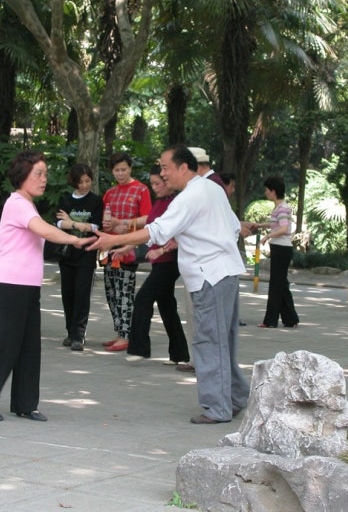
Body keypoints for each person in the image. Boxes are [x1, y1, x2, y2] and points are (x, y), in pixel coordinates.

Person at [88, 145, 249, 425]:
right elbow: (234, 227)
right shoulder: (213, 190)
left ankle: (217, 408)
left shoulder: (191, 196)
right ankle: (234, 398)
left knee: (209, 341)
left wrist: (111, 240)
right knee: (223, 340)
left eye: (165, 167)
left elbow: (158, 231)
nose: (162, 174)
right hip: (226, 272)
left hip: (209, 275)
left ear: (183, 168)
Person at [0, 150, 91, 422]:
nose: (44, 179)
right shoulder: (17, 203)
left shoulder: (28, 204)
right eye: (39, 174)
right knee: (7, 345)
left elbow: (42, 230)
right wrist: (74, 239)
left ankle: (25, 404)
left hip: (27, 287)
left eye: (45, 174)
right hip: (10, 286)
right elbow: (45, 230)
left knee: (29, 347)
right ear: (22, 175)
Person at [124, 165, 190, 366]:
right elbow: (151, 231)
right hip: (159, 261)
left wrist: (162, 250)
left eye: (158, 183)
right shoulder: (159, 202)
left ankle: (139, 349)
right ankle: (180, 355)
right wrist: (125, 246)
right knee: (167, 306)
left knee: (143, 298)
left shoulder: (177, 203)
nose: (155, 187)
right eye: (152, 184)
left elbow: (180, 233)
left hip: (170, 261)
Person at [100, 152, 152, 352]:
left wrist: (123, 225)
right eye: (116, 170)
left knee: (124, 292)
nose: (120, 173)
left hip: (129, 248)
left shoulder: (141, 190)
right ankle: (119, 331)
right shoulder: (110, 193)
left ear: (130, 168)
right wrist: (110, 227)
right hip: (109, 247)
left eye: (123, 169)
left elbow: (148, 218)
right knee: (111, 292)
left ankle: (126, 334)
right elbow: (105, 221)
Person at [54, 163, 102, 352]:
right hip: (67, 252)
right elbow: (58, 223)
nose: (84, 185)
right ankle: (69, 331)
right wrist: (79, 224)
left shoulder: (96, 201)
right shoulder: (65, 200)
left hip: (87, 253)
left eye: (88, 181)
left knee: (82, 293)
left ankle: (79, 335)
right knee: (68, 293)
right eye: (81, 181)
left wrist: (71, 223)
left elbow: (96, 227)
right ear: (74, 182)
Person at [255, 176, 299, 329]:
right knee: (281, 284)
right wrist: (261, 225)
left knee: (276, 285)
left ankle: (270, 320)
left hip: (281, 248)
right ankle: (291, 318)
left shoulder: (282, 208)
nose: (266, 193)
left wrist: (267, 236)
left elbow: (283, 229)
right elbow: (276, 224)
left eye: (267, 190)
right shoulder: (280, 208)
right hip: (280, 248)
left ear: (273, 191)